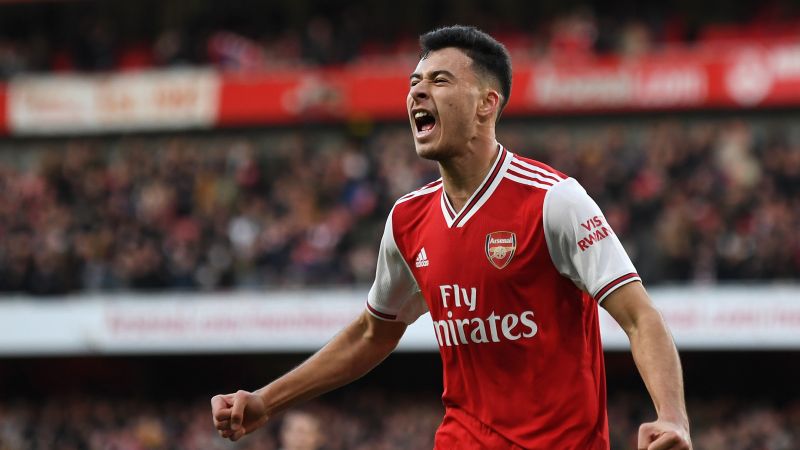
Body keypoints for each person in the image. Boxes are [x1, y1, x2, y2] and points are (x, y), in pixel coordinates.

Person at [211, 25, 692, 450]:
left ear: (487, 103)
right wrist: (266, 401)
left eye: (439, 81)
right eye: (414, 83)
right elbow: (372, 333)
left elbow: (640, 317)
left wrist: (672, 416)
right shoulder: (407, 220)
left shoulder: (554, 201)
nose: (418, 92)